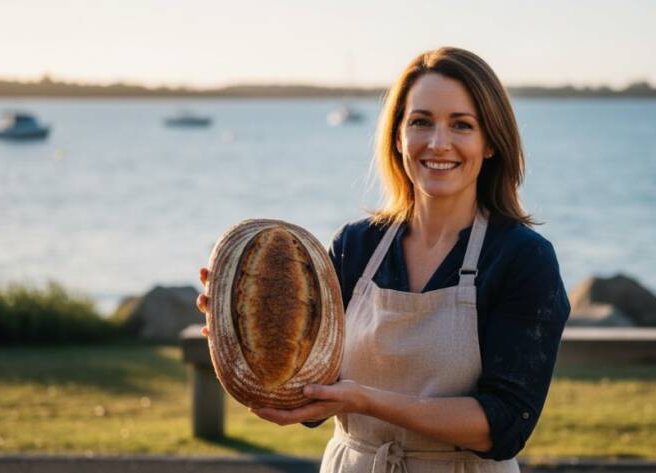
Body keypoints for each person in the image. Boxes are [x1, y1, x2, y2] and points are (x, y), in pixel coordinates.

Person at [197, 46, 570, 473]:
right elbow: (317, 392)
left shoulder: (521, 257)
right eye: (421, 122)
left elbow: (503, 427)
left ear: (490, 143)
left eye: (461, 125)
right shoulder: (355, 247)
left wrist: (367, 400)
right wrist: (236, 332)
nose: (438, 142)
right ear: (397, 136)